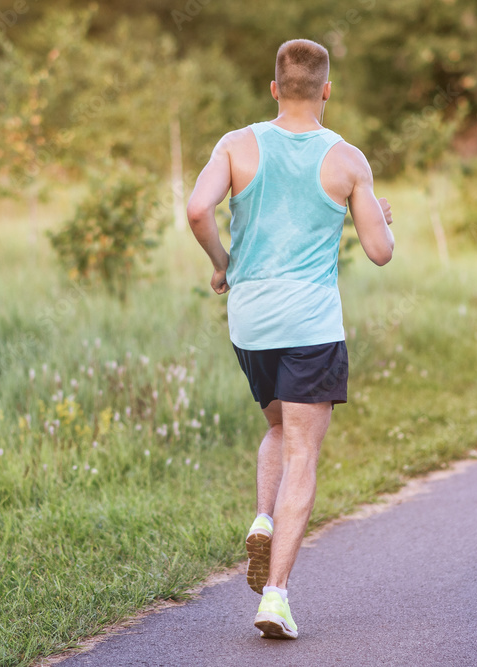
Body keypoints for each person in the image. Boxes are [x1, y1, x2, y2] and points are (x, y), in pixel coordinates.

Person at [186, 38, 395, 640]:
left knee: (278, 426)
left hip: (250, 322)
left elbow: (199, 209)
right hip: (310, 325)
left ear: (275, 88)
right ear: (327, 90)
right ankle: (274, 596)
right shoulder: (348, 159)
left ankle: (262, 516)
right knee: (303, 451)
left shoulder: (237, 144)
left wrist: (223, 262)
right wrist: (382, 219)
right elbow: (379, 253)